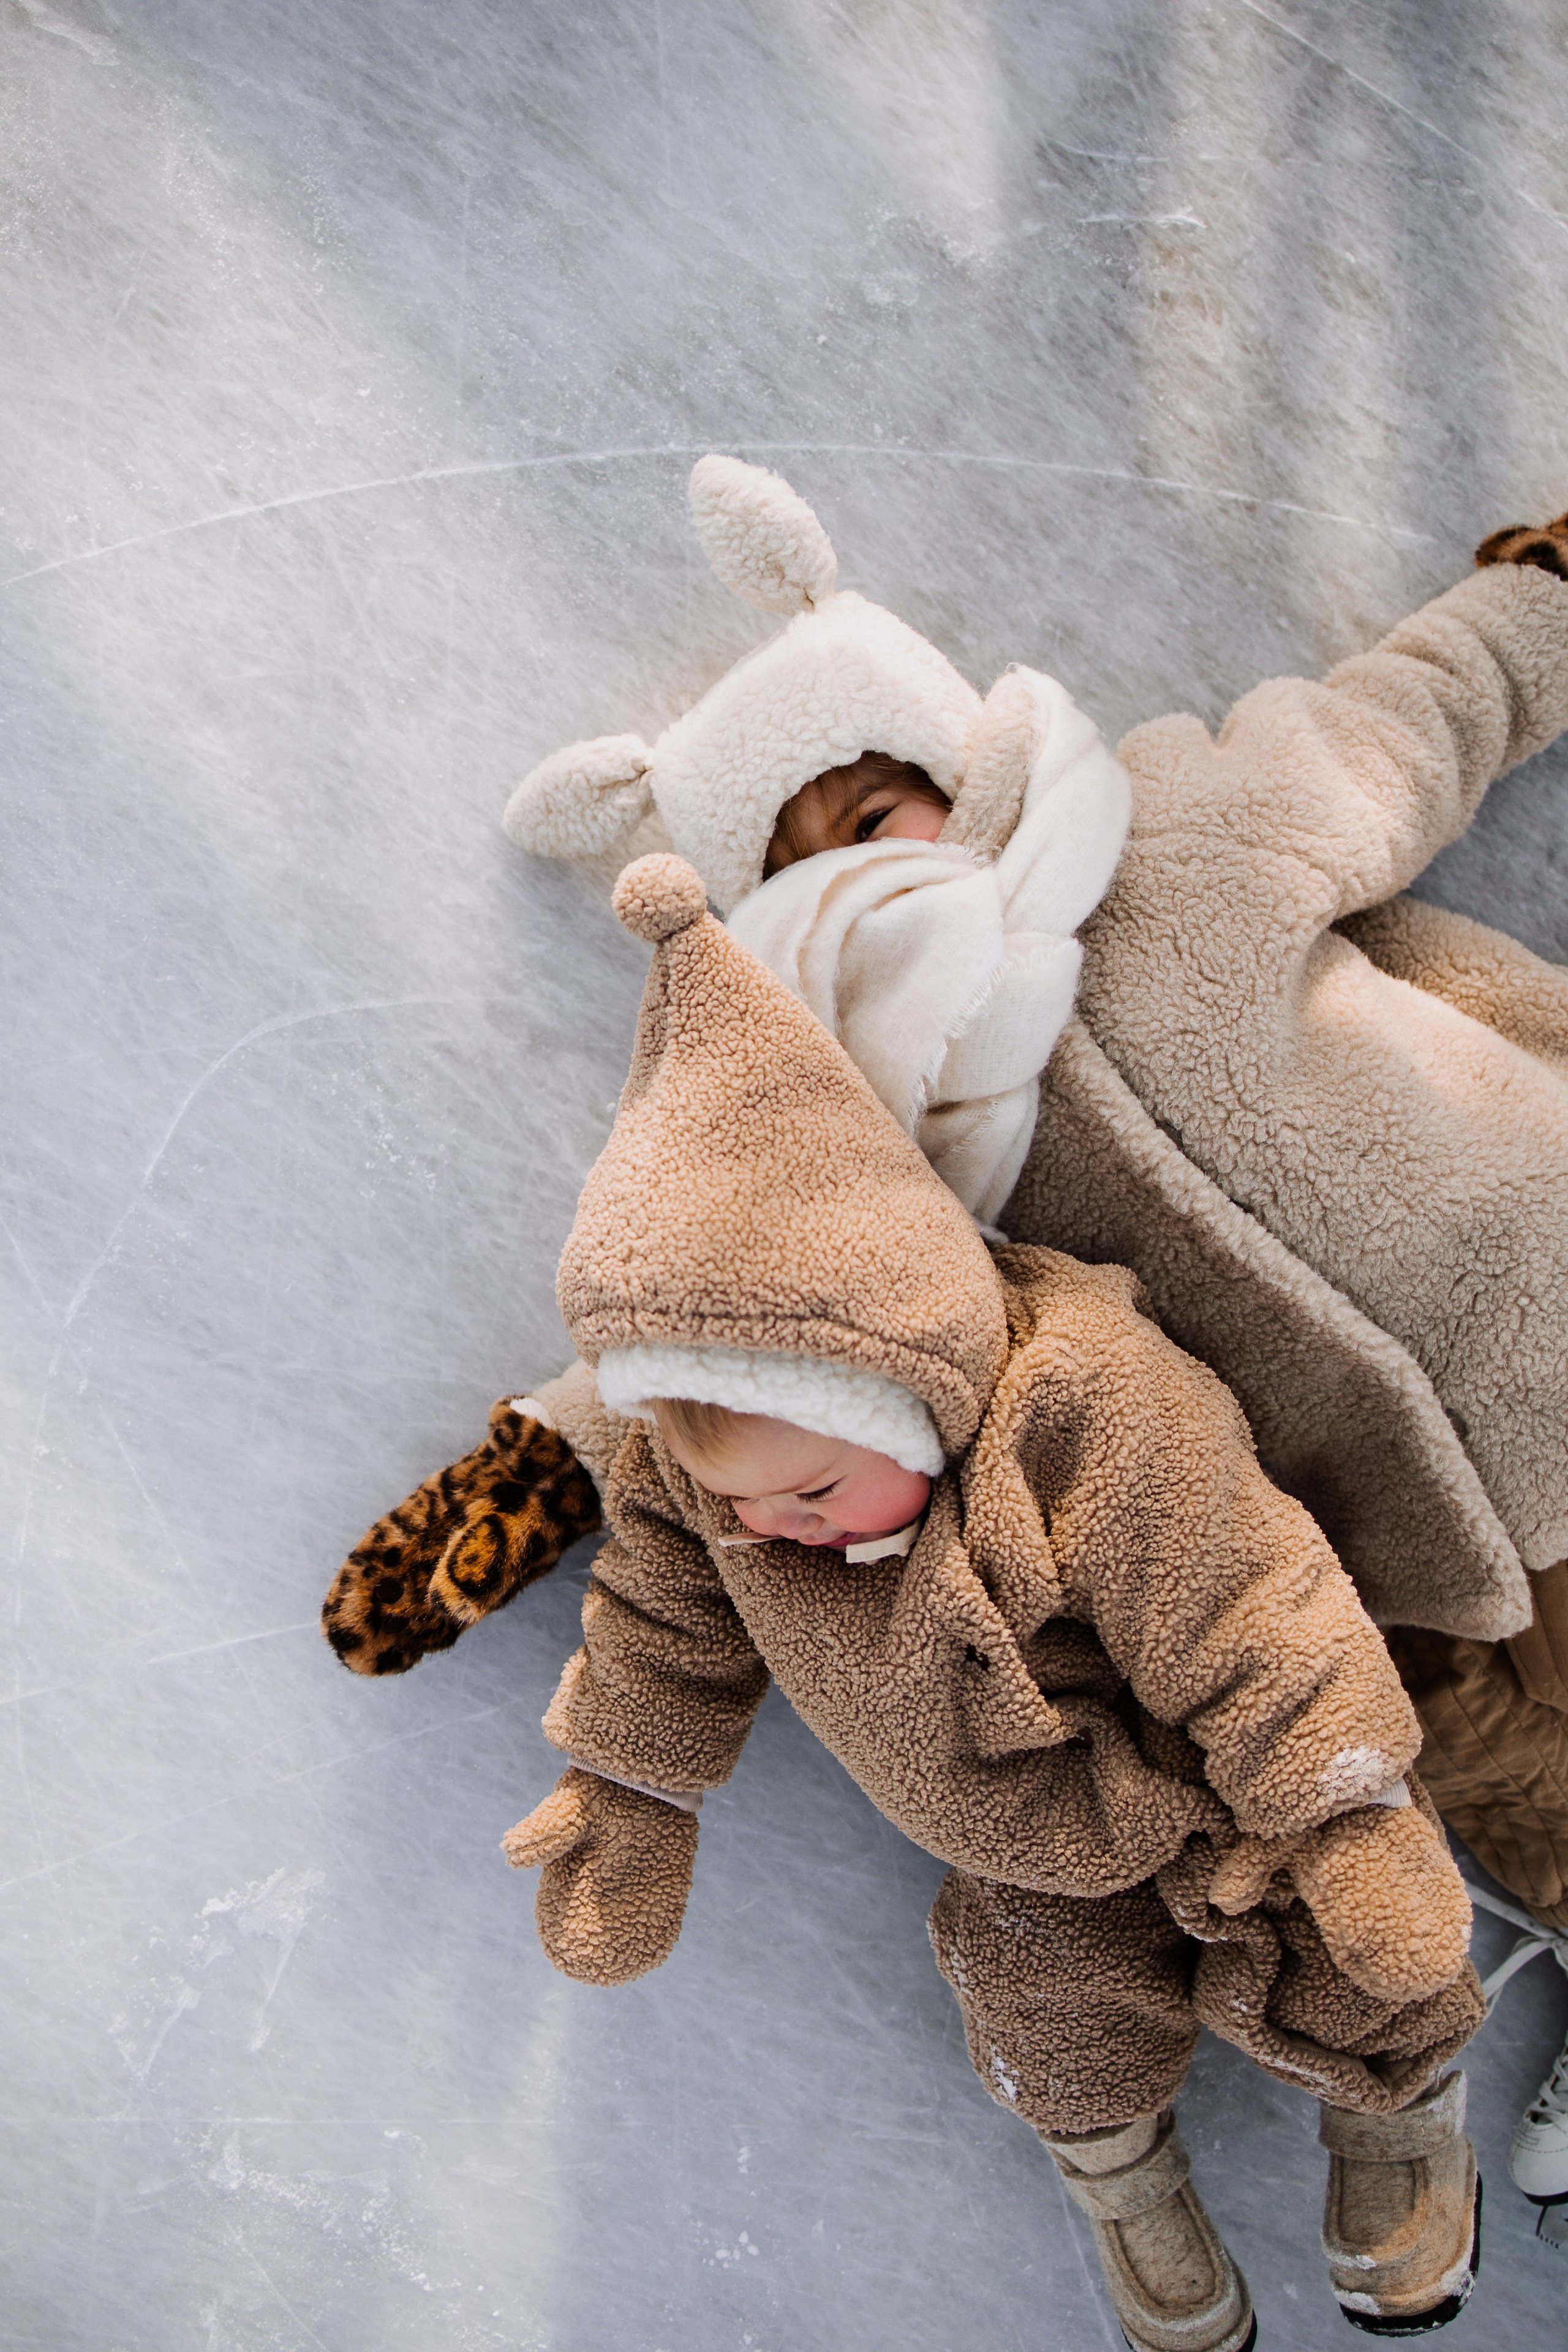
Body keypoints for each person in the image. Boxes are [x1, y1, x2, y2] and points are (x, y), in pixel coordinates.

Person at [323, 462, 1568, 2215]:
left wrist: (1543, 592)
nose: (862, 875)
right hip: (1370, 1546)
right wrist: (533, 1469)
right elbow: (731, 1331)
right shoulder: (865, 1148)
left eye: (882, 808)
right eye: (799, 868)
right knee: (1493, 1784)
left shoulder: (1174, 829)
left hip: (1542, 1296)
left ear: (955, 765)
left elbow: (1410, 722)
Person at [507, 853, 1482, 2349]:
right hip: (1025, 1843)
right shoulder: (706, 1478)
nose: (772, 1527)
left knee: (1354, 1950)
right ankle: (1119, 2178)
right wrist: (631, 1786)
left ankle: (1401, 2118)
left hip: (1224, 1790)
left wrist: (1336, 1808)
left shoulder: (1083, 1409)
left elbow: (1248, 1605)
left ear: (905, 1392)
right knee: (1045, 2007)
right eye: (740, 1501)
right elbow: (661, 1619)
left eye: (815, 1494)